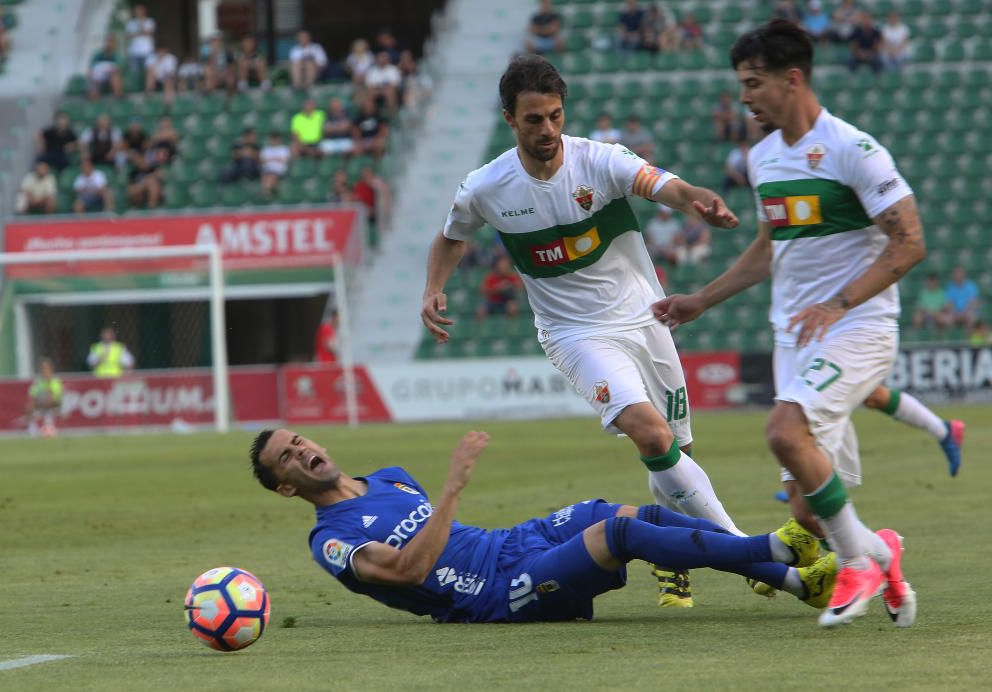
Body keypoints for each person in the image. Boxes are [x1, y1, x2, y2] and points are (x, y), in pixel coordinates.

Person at [421, 55, 746, 609]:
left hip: (645, 317)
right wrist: (432, 288)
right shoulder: (486, 187)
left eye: (554, 116)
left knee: (678, 449)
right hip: (573, 333)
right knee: (652, 436)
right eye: (533, 120)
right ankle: (745, 552)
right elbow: (453, 237)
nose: (547, 130)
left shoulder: (601, 162)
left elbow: (659, 183)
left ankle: (671, 558)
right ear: (509, 119)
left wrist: (695, 198)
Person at [653, 20, 920, 628]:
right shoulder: (764, 156)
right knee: (804, 508)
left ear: (791, 79)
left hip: (858, 328)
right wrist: (703, 299)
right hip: (795, 340)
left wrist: (839, 303)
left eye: (753, 83)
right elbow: (770, 248)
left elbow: (908, 243)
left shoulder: (855, 149)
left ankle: (858, 563)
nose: (744, 97)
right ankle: (884, 553)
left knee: (782, 431)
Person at [249, 429, 840, 623]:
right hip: (495, 595)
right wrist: (453, 487)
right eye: (286, 458)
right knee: (620, 538)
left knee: (633, 513)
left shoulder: (392, 479)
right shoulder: (329, 539)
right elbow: (408, 568)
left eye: (299, 440)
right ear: (285, 487)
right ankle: (772, 548)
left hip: (511, 542)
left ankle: (796, 583)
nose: (301, 452)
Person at [476, 255, 523, 320]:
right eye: (502, 265)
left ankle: (511, 328)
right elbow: (483, 290)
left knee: (513, 307)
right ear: (498, 266)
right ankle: (480, 329)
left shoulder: (512, 276)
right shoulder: (491, 276)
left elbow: (519, 288)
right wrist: (498, 288)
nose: (504, 267)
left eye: (506, 266)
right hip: (492, 301)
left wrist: (510, 285)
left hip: (507, 301)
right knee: (481, 310)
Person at [26, 358, 63, 437]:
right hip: (41, 405)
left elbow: (57, 399)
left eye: (46, 369)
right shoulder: (38, 383)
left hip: (53, 405)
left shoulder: (56, 382)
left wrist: (48, 384)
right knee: (29, 406)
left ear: (51, 370)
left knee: (49, 401)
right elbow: (32, 397)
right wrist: (35, 404)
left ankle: (49, 427)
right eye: (43, 369)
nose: (44, 371)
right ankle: (32, 430)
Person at [88, 35, 124, 99]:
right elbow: (91, 68)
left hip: (111, 75)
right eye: (107, 42)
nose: (109, 44)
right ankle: (95, 102)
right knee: (92, 81)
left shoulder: (117, 55)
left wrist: (110, 70)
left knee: (115, 76)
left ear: (114, 44)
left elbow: (119, 67)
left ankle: (118, 98)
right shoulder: (97, 54)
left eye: (111, 42)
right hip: (98, 76)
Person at [125, 4, 156, 73]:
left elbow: (149, 33)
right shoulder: (130, 23)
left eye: (140, 11)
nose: (138, 13)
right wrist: (141, 32)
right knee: (135, 74)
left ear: (144, 12)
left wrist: (141, 24)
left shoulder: (150, 21)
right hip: (134, 52)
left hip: (147, 51)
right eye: (137, 11)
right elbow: (128, 36)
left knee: (148, 73)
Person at [260, 131, 290, 197]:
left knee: (272, 176)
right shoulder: (266, 149)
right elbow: (262, 161)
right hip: (267, 170)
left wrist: (270, 159)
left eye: (275, 138)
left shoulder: (284, 149)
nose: (274, 140)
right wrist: (276, 159)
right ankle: (269, 192)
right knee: (265, 176)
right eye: (272, 139)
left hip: (279, 170)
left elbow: (285, 161)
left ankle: (266, 193)